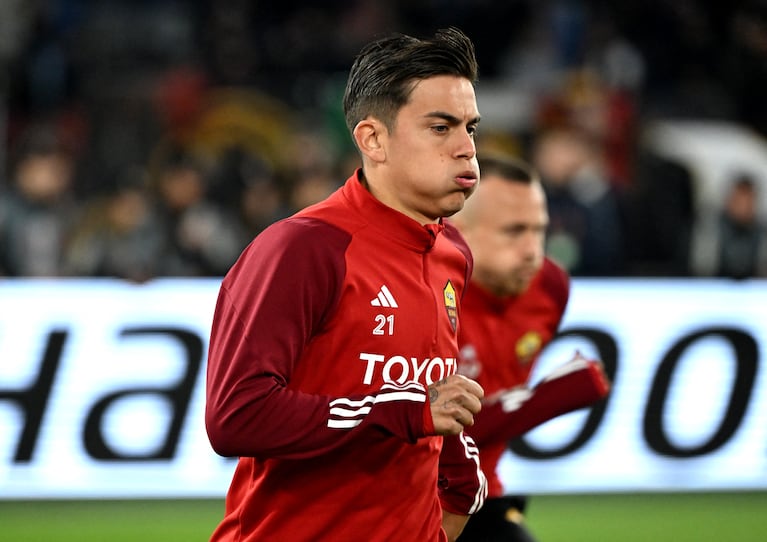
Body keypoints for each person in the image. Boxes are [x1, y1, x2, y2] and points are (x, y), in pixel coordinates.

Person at [205, 27, 487, 542]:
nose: (467, 149)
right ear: (372, 139)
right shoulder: (303, 248)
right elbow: (235, 416)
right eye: (441, 128)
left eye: (471, 127)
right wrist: (403, 410)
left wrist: (460, 473)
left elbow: (429, 398)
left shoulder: (453, 253)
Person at [449, 155, 611, 541]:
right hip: (406, 497)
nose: (532, 250)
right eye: (514, 231)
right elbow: (418, 438)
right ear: (456, 230)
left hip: (480, 492)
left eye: (539, 231)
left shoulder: (551, 288)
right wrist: (545, 400)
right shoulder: (423, 296)